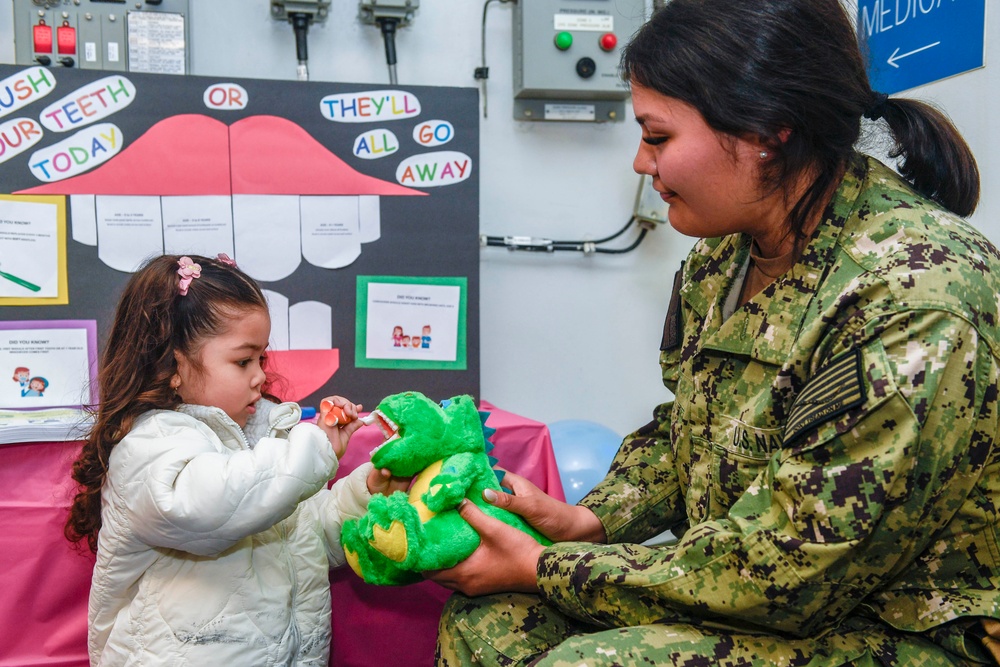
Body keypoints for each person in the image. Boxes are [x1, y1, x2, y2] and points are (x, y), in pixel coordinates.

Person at [430, 0, 1000, 665]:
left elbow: (794, 569)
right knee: (485, 623)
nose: (642, 164)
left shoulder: (917, 299)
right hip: (758, 586)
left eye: (658, 136)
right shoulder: (725, 257)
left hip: (900, 628)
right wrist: (593, 519)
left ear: (768, 130)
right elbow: (693, 429)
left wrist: (548, 567)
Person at [64, 253, 405, 666]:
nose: (260, 375)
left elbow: (310, 538)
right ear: (174, 366)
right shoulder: (148, 446)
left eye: (261, 359)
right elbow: (211, 504)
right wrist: (313, 448)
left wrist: (368, 490)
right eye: (243, 361)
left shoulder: (265, 436)